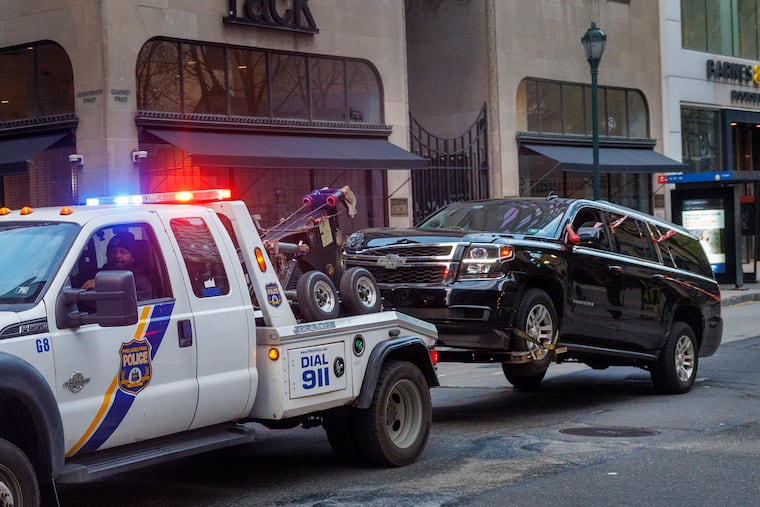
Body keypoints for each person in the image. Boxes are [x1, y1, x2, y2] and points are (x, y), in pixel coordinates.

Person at [82, 232, 154, 300]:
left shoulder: (140, 283)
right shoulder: (100, 274)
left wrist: (103, 286)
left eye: (123, 252)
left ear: (133, 258)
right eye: (113, 252)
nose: (117, 256)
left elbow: (129, 308)